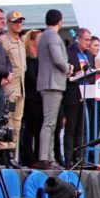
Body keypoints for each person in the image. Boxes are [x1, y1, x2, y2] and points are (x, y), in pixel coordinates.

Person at [36, 10, 68, 170]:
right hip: (52, 83)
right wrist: (67, 67)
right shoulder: (53, 36)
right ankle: (45, 157)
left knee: (50, 122)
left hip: (49, 83)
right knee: (49, 122)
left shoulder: (44, 36)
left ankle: (49, 157)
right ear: (60, 22)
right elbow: (57, 58)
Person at [0, 11, 27, 167]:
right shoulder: (3, 41)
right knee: (7, 119)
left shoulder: (21, 42)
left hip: (20, 89)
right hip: (10, 88)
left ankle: (12, 154)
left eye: (21, 21)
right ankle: (4, 153)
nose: (19, 24)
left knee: (17, 121)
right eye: (16, 21)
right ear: (8, 23)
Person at [62, 29, 94, 167]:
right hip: (73, 92)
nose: (88, 43)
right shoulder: (69, 52)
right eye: (86, 40)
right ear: (78, 39)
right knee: (71, 127)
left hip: (86, 93)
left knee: (82, 128)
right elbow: (67, 72)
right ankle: (69, 158)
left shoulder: (90, 55)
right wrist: (77, 73)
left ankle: (79, 158)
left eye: (90, 40)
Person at [21, 30, 43, 166]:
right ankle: (28, 157)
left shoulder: (40, 58)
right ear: (32, 40)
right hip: (32, 97)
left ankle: (38, 156)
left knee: (39, 128)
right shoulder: (28, 58)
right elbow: (31, 78)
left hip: (41, 97)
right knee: (30, 127)